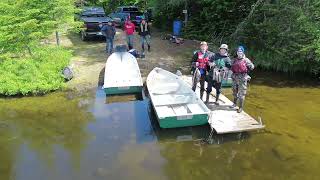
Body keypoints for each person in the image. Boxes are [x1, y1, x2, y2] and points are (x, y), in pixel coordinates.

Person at [230, 46, 254, 113]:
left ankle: (240, 107)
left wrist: (248, 69)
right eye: (238, 51)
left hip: (242, 79)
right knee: (234, 91)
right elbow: (230, 66)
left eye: (240, 51)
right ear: (237, 52)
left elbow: (252, 67)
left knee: (242, 94)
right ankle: (234, 104)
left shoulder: (246, 60)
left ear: (243, 52)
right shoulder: (234, 59)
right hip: (235, 77)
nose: (239, 52)